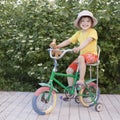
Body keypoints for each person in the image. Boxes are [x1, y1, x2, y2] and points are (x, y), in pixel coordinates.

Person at [56, 10, 98, 99]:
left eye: (88, 21)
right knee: (69, 70)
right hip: (81, 58)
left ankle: (81, 79)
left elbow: (87, 40)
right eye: (82, 21)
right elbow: (68, 41)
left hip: (92, 56)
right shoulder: (78, 33)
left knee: (81, 57)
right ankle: (71, 91)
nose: (85, 23)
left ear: (91, 23)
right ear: (79, 23)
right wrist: (57, 46)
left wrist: (79, 48)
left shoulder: (92, 31)